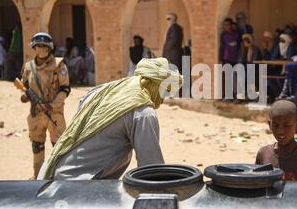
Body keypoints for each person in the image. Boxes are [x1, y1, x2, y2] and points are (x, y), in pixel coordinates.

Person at [37, 57, 183, 180]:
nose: (163, 99)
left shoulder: (102, 91)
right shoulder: (143, 112)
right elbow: (152, 171)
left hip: (51, 174)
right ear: (154, 83)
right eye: (164, 90)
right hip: (79, 189)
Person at [20, 32, 70, 179]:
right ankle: (38, 177)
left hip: (54, 114)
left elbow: (65, 90)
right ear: (34, 48)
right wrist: (25, 96)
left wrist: (52, 105)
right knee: (37, 146)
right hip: (36, 115)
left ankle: (59, 178)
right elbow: (25, 87)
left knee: (59, 148)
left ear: (49, 48)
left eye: (44, 46)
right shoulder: (28, 67)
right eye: (38, 46)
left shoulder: (59, 65)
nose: (41, 49)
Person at [255, 100, 297, 181]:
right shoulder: (263, 154)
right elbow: (256, 185)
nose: (280, 131)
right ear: (270, 125)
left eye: (287, 125)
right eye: (276, 125)